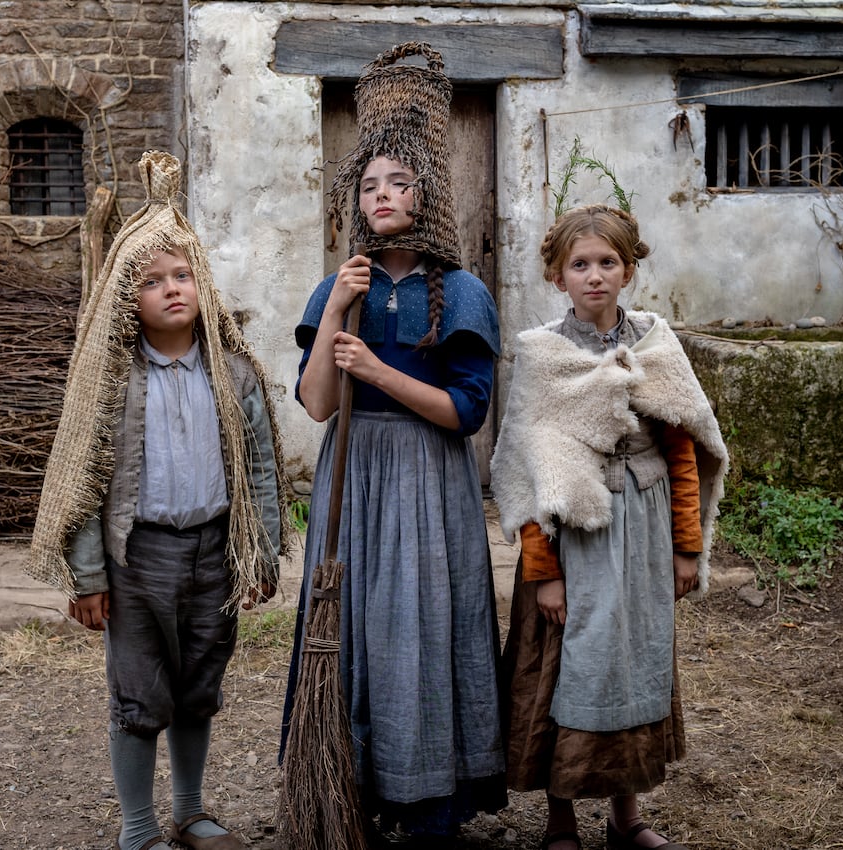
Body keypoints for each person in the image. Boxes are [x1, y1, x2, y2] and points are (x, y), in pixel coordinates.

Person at [27, 151, 293, 850]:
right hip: (137, 559)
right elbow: (85, 478)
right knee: (140, 694)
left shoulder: (233, 374)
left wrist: (260, 549)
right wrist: (87, 575)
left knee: (199, 685)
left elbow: (261, 470)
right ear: (126, 296)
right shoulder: (110, 383)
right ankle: (138, 827)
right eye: (152, 281)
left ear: (201, 283)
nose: (172, 290)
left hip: (213, 552)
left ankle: (191, 811)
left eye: (182, 276)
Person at [282, 42, 506, 844]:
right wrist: (338, 314)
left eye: (398, 182)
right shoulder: (342, 285)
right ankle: (354, 791)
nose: (382, 196)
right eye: (370, 185)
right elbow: (315, 407)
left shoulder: (465, 293)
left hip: (427, 474)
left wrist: (376, 367)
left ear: (429, 194)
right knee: (356, 635)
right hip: (353, 472)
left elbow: (466, 413)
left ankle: (430, 800)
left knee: (422, 628)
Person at [490, 204, 729, 850]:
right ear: (556, 274)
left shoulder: (655, 345)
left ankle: (628, 817)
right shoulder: (545, 359)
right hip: (573, 546)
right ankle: (561, 820)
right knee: (566, 672)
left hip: (643, 537)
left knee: (634, 665)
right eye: (580, 264)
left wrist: (687, 548)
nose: (594, 276)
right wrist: (543, 575)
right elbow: (527, 474)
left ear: (628, 270)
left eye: (607, 263)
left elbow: (682, 452)